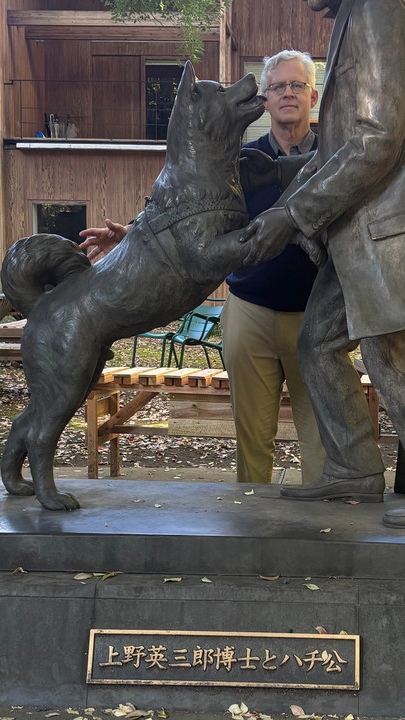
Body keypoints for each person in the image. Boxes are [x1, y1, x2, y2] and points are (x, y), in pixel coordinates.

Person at [238, 0, 405, 529]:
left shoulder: (380, 9)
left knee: (392, 355)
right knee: (319, 342)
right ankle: (353, 468)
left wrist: (297, 213)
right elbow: (334, 148)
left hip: (388, 228)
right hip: (358, 232)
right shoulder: (361, 14)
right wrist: (288, 210)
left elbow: (375, 138)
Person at [78, 51, 326, 486]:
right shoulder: (239, 159)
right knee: (253, 443)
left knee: (322, 442)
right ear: (265, 99)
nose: (287, 93)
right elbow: (187, 208)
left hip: (318, 317)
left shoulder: (334, 160)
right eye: (277, 86)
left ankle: (325, 536)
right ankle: (252, 531)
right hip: (251, 314)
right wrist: (132, 235)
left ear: (314, 96)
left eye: (297, 85)